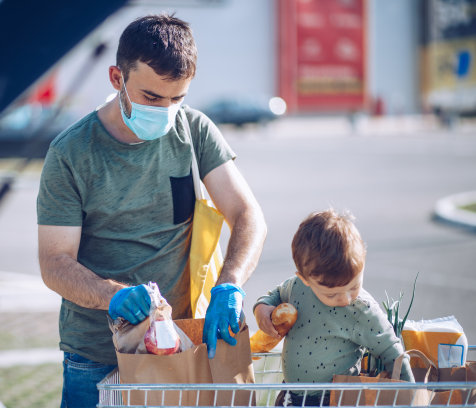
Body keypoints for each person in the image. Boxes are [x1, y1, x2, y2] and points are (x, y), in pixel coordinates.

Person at [37, 13, 267, 408]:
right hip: (94, 358)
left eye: (177, 98)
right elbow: (54, 263)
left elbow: (248, 217)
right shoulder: (71, 153)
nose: (164, 111)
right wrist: (112, 296)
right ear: (116, 78)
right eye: (151, 98)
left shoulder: (194, 131)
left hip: (176, 347)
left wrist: (230, 285)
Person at [253, 209, 414, 407]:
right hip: (290, 394)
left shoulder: (361, 309)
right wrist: (262, 308)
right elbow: (274, 295)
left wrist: (411, 395)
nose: (346, 299)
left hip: (335, 400)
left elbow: (392, 349)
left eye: (354, 286)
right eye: (331, 294)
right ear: (305, 279)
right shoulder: (296, 288)